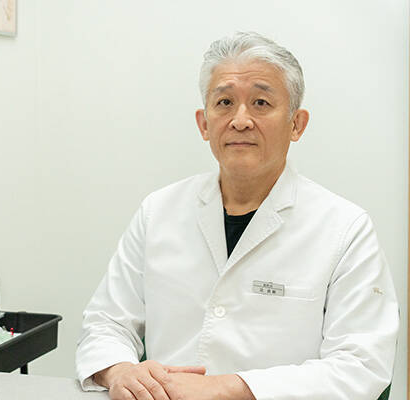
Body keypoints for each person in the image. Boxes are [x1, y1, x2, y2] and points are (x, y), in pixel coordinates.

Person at [75, 32, 399, 400]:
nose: (240, 120)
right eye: (225, 102)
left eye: (261, 102)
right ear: (204, 123)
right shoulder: (158, 211)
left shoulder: (344, 228)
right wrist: (120, 371)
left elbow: (361, 366)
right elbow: (105, 323)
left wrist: (227, 388)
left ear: (297, 124)